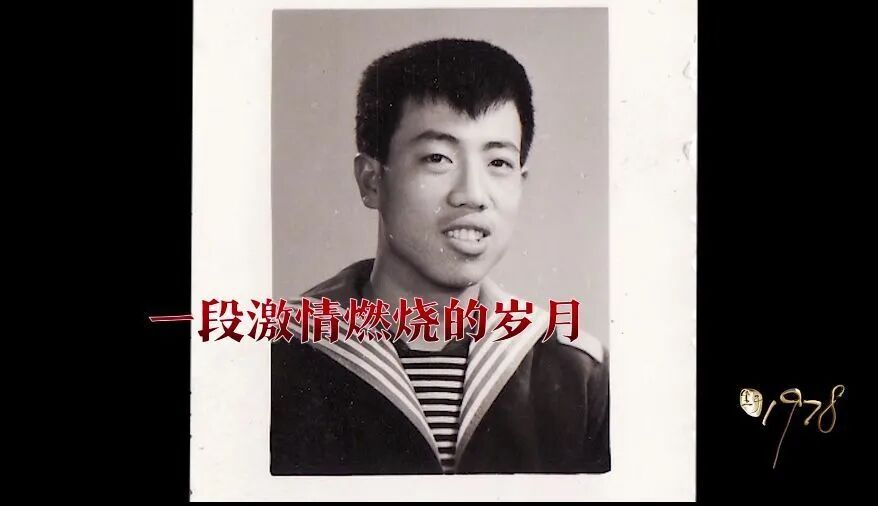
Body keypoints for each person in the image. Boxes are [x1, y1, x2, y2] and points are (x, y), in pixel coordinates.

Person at [271, 38, 609, 475]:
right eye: (438, 158)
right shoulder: (277, 360)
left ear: (521, 182)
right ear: (372, 181)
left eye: (498, 163)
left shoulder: (576, 373)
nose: (472, 194)